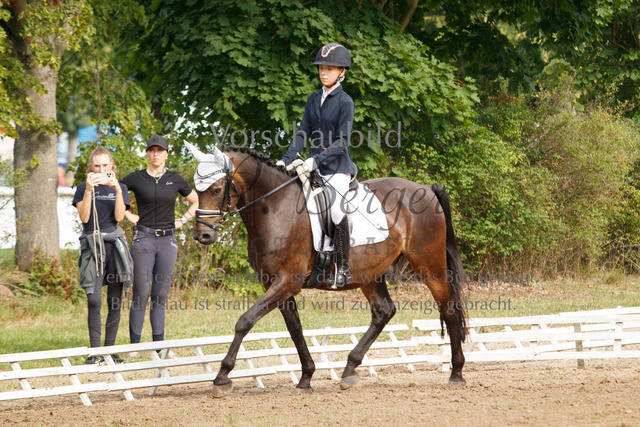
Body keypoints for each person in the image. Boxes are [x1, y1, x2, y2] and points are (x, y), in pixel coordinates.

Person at [278, 43, 357, 288]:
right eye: (321, 68)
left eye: (329, 69)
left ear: (342, 72)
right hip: (312, 167)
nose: (323, 73)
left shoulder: (345, 102)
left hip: (337, 168)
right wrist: (286, 159)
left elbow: (342, 141)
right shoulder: (313, 99)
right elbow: (303, 132)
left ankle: (343, 267)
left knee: (336, 210)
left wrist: (317, 159)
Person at [121, 134, 198, 349]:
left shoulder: (175, 178)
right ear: (148, 153)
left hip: (167, 242)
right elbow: (115, 191)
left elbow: (196, 201)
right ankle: (134, 348)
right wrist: (127, 214)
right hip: (143, 239)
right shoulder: (136, 178)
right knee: (141, 293)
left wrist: (183, 220)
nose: (156, 154)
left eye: (160, 150)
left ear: (166, 154)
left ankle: (159, 347)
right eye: (152, 150)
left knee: (160, 295)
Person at [73, 146, 133, 365]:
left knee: (115, 300)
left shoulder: (120, 187)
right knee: (94, 299)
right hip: (93, 246)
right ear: (91, 167)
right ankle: (94, 352)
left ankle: (110, 351)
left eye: (105, 165)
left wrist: (117, 190)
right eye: (97, 166)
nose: (100, 169)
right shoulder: (82, 188)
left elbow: (119, 217)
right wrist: (89, 190)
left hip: (114, 246)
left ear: (112, 166)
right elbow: (84, 218)